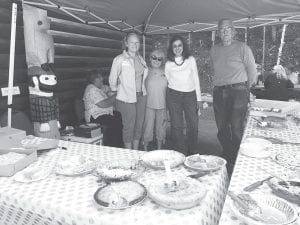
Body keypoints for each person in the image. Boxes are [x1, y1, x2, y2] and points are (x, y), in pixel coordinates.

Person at [210, 19, 257, 176]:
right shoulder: (214, 50)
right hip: (219, 92)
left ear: (233, 30)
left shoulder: (242, 47)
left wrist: (246, 91)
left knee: (236, 127)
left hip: (238, 91)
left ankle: (237, 159)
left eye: (228, 28)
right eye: (222, 29)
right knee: (222, 127)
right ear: (218, 32)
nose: (225, 31)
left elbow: (252, 72)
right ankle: (228, 153)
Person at [109, 32, 148, 150]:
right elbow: (112, 79)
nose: (134, 45)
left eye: (137, 42)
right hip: (126, 98)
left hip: (141, 96)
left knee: (139, 125)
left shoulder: (140, 59)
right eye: (132, 42)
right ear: (126, 43)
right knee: (128, 127)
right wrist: (118, 91)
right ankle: (128, 153)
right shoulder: (119, 59)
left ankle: (135, 152)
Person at [165, 35, 202, 156]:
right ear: (171, 48)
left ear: (183, 46)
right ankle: (180, 153)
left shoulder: (190, 59)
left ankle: (193, 152)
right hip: (173, 95)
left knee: (193, 124)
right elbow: (168, 80)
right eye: (174, 46)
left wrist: (199, 99)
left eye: (179, 45)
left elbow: (196, 79)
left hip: (190, 95)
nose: (177, 48)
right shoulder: (168, 64)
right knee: (176, 126)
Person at [83, 69, 123, 147]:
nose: (102, 79)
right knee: (114, 122)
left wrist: (114, 90)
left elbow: (109, 90)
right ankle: (113, 146)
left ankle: (118, 144)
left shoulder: (99, 88)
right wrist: (117, 95)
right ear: (95, 79)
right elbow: (103, 104)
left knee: (118, 115)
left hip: (103, 114)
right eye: (100, 77)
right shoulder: (91, 89)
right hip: (95, 117)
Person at [143, 49, 168, 151]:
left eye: (159, 59)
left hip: (162, 105)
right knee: (147, 128)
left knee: (161, 128)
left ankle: (159, 149)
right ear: (150, 58)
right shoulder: (145, 71)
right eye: (154, 57)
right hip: (148, 105)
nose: (156, 60)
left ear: (162, 61)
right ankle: (145, 149)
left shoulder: (167, 72)